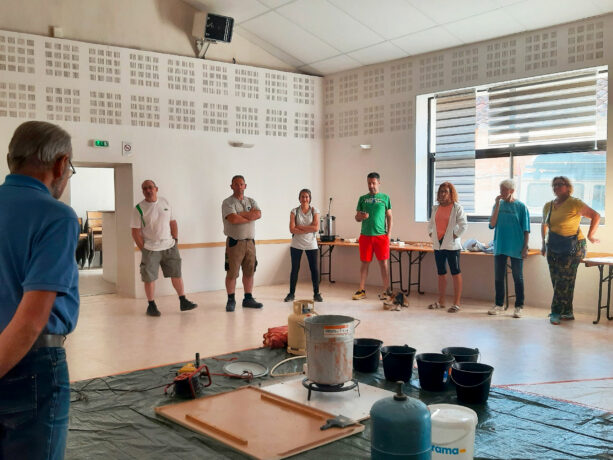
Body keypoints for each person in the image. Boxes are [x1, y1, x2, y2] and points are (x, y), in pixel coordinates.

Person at [0, 121, 79, 459]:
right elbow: (31, 320)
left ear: (11, 159)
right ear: (61, 164)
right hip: (29, 365)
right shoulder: (56, 216)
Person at [131, 180, 197, 316]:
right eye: (145, 188)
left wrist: (175, 239)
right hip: (150, 248)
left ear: (156, 189)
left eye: (150, 187)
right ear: (142, 191)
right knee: (149, 278)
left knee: (176, 274)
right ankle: (151, 305)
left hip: (169, 246)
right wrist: (144, 249)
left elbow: (173, 222)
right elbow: (135, 231)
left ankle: (183, 301)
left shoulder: (165, 202)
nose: (148, 190)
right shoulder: (138, 208)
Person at [541, 176, 600, 324]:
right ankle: (567, 312)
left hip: (573, 247)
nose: (556, 187)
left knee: (563, 280)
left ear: (568, 187)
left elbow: (596, 215)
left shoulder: (574, 203)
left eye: (560, 184)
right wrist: (543, 244)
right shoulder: (548, 205)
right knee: (557, 280)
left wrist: (591, 235)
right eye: (554, 185)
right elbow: (544, 225)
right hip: (553, 246)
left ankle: (556, 312)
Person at [487, 179, 530, 318]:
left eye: (504, 190)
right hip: (500, 245)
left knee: (518, 277)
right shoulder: (497, 205)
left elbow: (526, 229)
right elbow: (492, 224)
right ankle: (499, 304)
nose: (501, 192)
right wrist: (497, 205)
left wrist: (525, 247)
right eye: (500, 190)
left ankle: (519, 306)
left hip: (516, 246)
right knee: (498, 277)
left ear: (511, 191)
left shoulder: (521, 207)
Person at [222, 175, 263, 312]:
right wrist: (249, 216)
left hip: (250, 243)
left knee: (250, 271)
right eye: (236, 184)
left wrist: (240, 214)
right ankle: (231, 300)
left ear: (245, 186)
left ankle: (248, 298)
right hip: (235, 243)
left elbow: (258, 214)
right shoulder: (228, 202)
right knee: (232, 272)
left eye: (241, 184)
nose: (239, 186)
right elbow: (233, 219)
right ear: (231, 186)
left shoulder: (251, 201)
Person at [427, 182, 467, 313]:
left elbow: (464, 225)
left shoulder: (457, 207)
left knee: (455, 272)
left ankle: (456, 303)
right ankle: (441, 301)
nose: (442, 194)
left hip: (452, 246)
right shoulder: (435, 208)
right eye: (441, 191)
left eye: (445, 191)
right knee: (441, 273)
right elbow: (431, 224)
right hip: (438, 245)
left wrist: (455, 235)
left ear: (451, 193)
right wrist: (431, 234)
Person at [352, 172, 392, 300]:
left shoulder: (385, 198)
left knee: (383, 264)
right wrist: (361, 216)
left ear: (378, 183)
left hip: (381, 236)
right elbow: (357, 218)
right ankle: (361, 290)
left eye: (373, 183)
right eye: (369, 183)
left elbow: (389, 216)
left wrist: (388, 235)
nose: (371, 186)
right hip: (365, 236)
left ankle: (386, 291)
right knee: (364, 263)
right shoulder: (362, 198)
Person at [285, 189, 322, 302]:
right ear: (299, 198)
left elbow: (316, 228)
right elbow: (292, 229)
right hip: (296, 244)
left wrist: (300, 227)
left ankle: (316, 294)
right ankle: (291, 294)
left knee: (314, 269)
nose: (305, 199)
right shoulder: (294, 211)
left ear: (310, 198)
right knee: (295, 269)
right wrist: (309, 228)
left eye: (307, 196)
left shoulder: (315, 210)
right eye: (302, 196)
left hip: (311, 243)